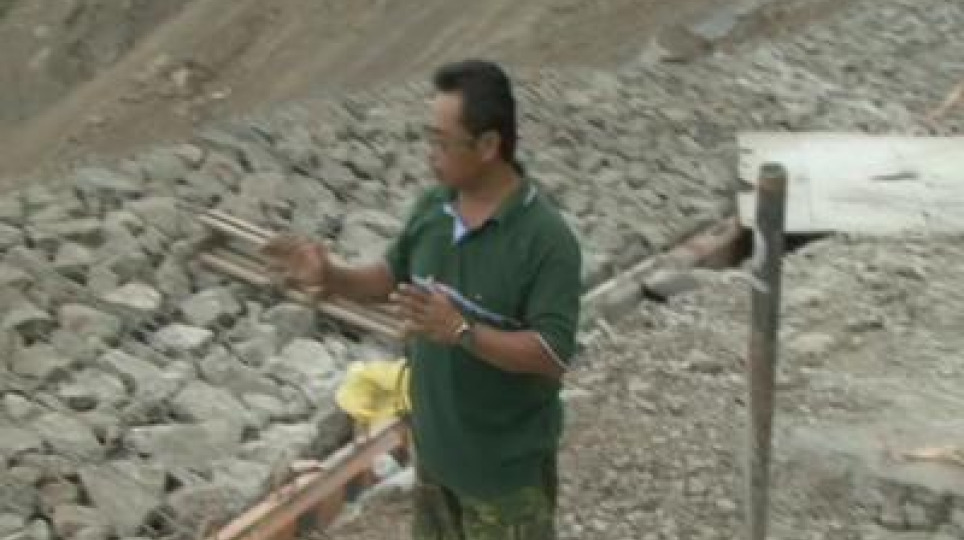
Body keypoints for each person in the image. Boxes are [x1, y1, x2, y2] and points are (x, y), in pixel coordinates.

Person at [262, 59, 582, 539]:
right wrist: (330, 275)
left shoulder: (545, 240)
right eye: (427, 140)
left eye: (441, 143)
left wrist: (461, 330)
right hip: (434, 462)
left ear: (488, 145)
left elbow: (552, 356)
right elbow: (390, 277)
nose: (430, 156)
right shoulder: (434, 208)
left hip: (503, 480)